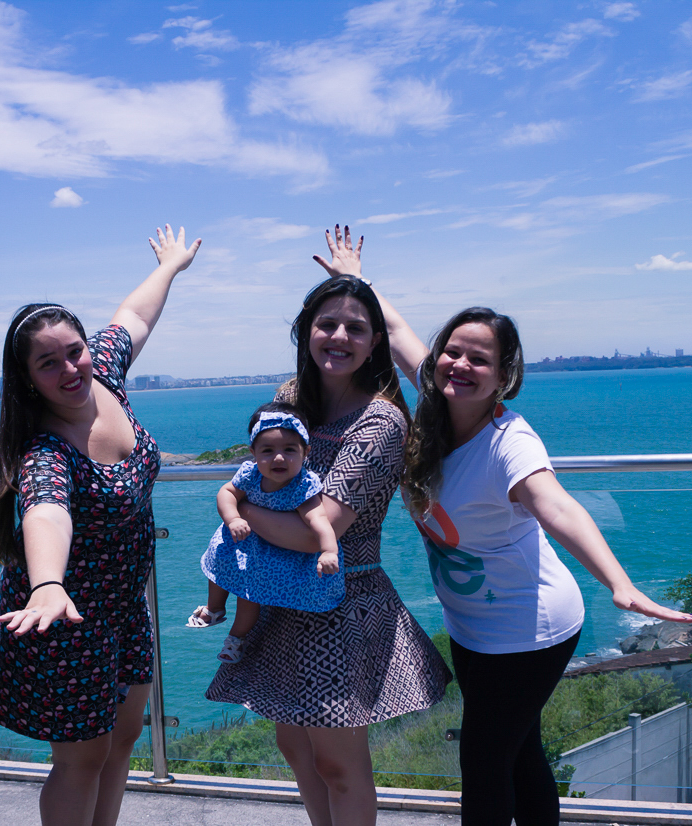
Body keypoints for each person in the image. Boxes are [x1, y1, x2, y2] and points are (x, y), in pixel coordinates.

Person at [319, 225, 692, 825]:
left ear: (504, 377)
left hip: (530, 627)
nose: (461, 364)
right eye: (453, 351)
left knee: (483, 762)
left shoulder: (508, 443)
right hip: (472, 623)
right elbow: (399, 331)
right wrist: (354, 280)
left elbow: (559, 508)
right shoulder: (434, 404)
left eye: (480, 359)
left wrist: (619, 583)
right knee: (518, 754)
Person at [205, 240, 452, 826]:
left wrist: (237, 511)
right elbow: (262, 474)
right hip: (278, 598)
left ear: (375, 342)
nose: (339, 337)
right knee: (295, 748)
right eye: (327, 325)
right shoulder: (291, 401)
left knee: (339, 762)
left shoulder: (380, 421)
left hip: (339, 600)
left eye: (355, 328)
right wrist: (244, 503)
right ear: (306, 332)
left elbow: (319, 530)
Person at [0, 225, 200, 826]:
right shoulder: (46, 451)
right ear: (27, 379)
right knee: (82, 759)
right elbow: (45, 509)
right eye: (48, 363)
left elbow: (134, 317)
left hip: (125, 607)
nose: (70, 368)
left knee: (123, 740)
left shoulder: (104, 376)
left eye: (74, 350)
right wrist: (48, 583)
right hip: (67, 617)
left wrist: (170, 266)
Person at [188, 402, 344, 663]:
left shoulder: (302, 486)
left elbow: (319, 519)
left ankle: (236, 638)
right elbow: (227, 493)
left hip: (270, 554)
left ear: (306, 452)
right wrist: (233, 518)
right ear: (253, 453)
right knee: (219, 561)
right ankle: (214, 607)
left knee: (249, 595)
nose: (278, 458)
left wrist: (329, 550)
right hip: (242, 538)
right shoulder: (250, 474)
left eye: (289, 450)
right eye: (268, 450)